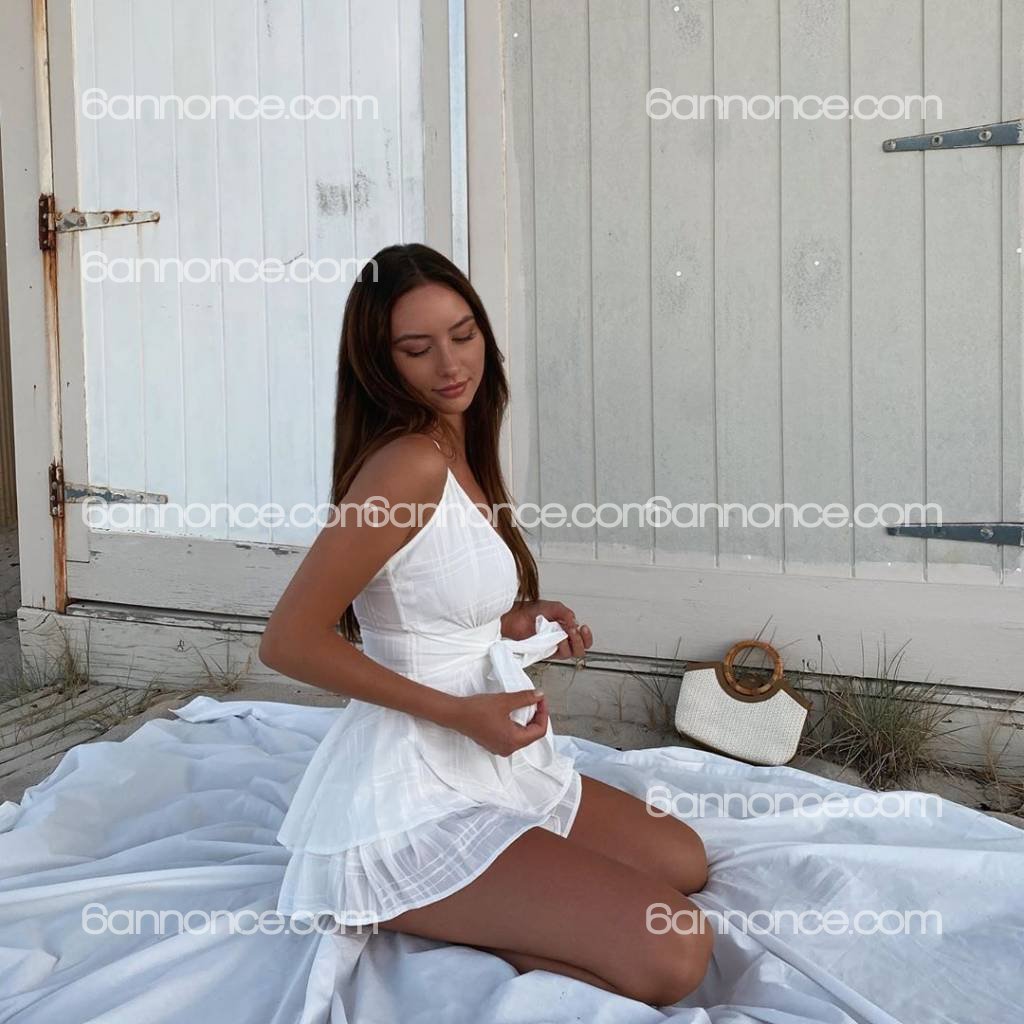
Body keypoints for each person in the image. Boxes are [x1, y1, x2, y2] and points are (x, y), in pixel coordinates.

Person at [258, 243, 713, 1006]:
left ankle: (499, 902)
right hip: (411, 787)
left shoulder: (459, 440)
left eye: (463, 334)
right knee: (677, 949)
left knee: (684, 861)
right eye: (417, 348)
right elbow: (288, 641)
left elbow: (422, 598)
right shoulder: (406, 464)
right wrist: (460, 714)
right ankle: (412, 901)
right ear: (379, 362)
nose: (450, 364)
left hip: (484, 747)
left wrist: (512, 622)